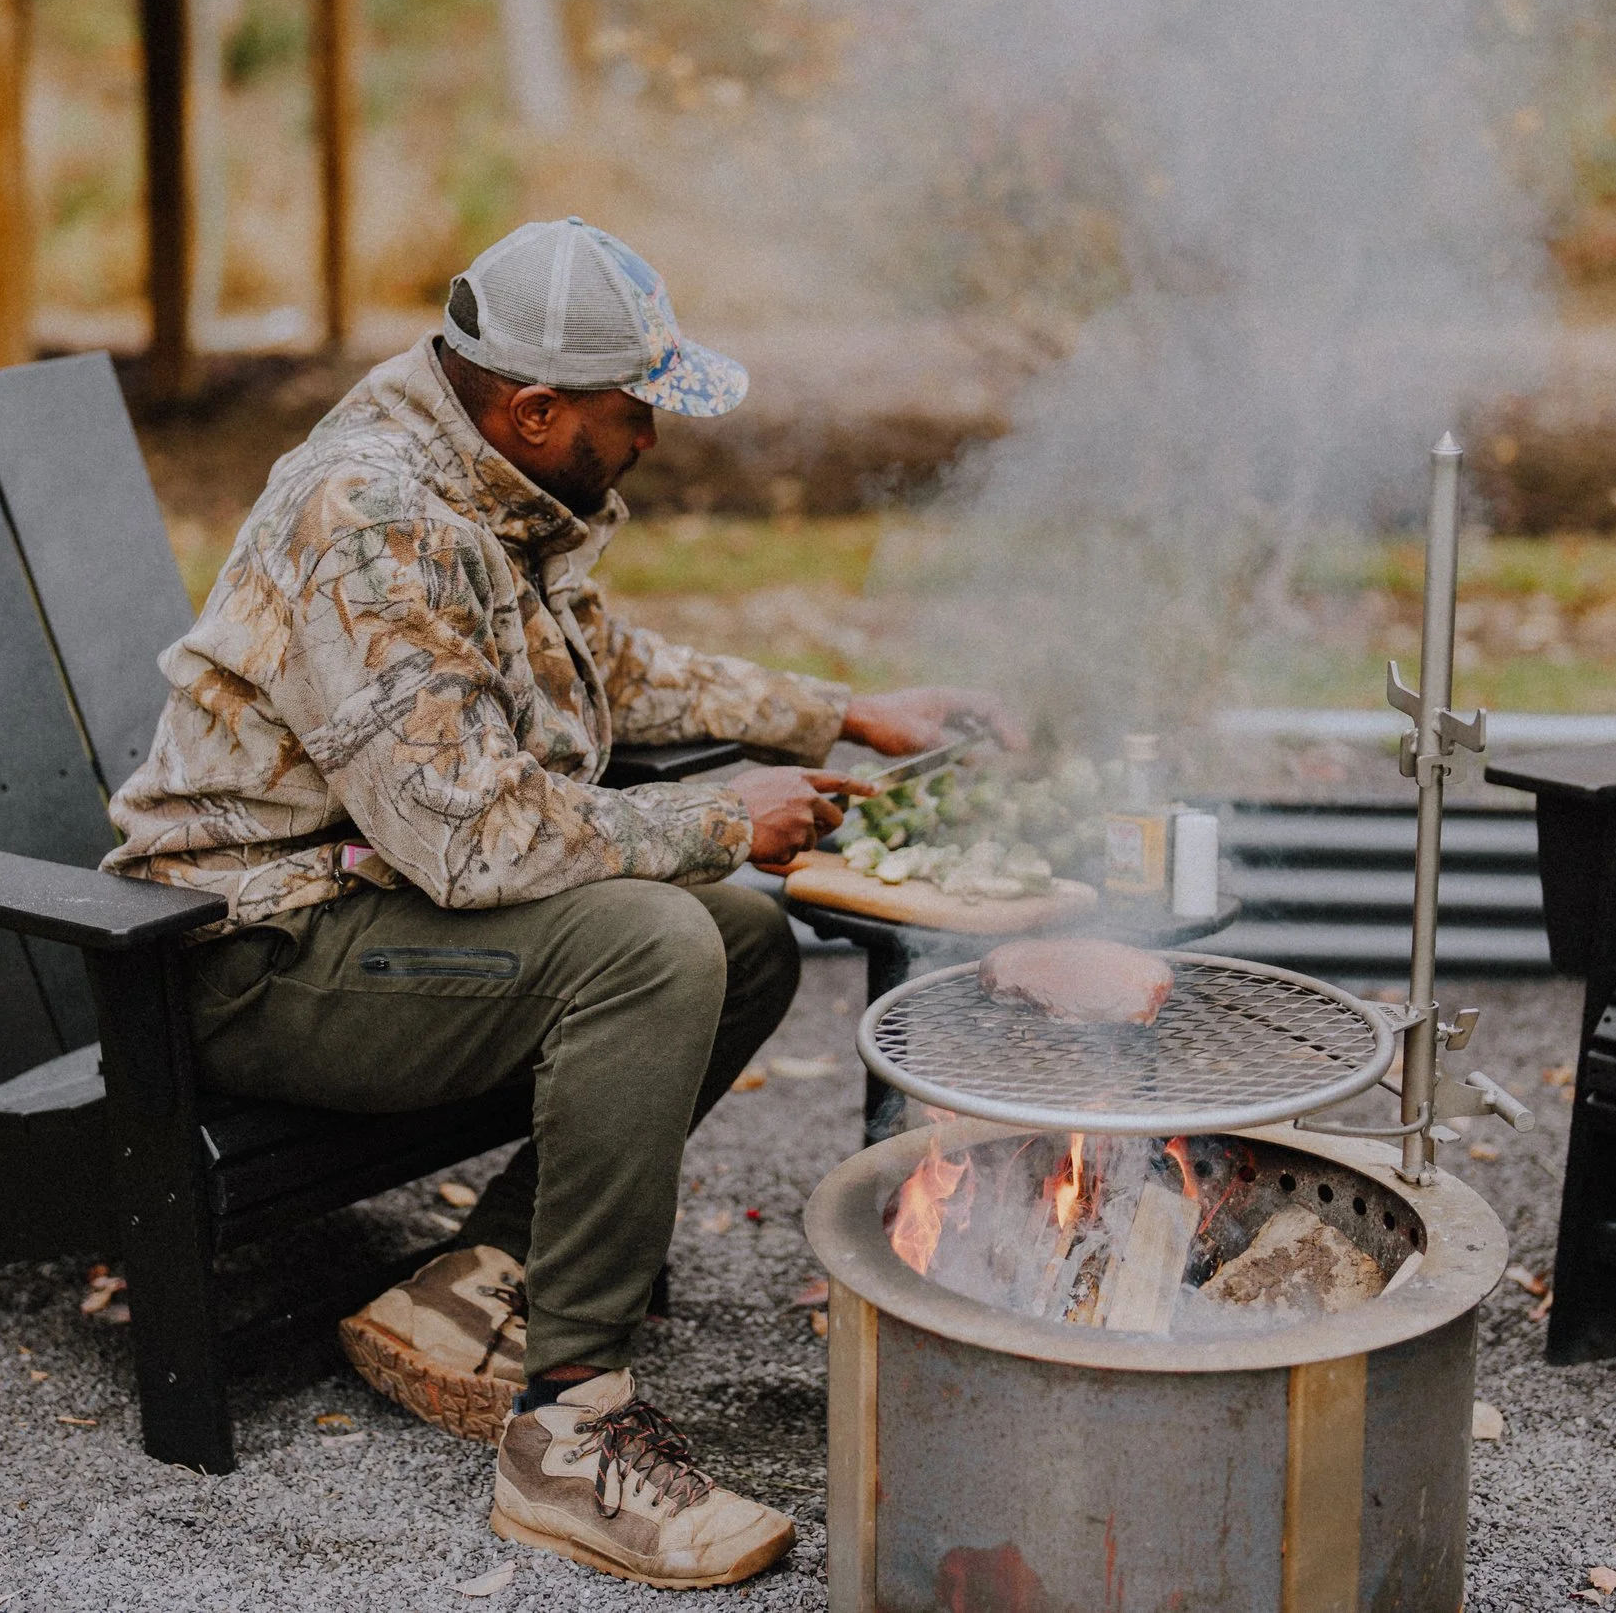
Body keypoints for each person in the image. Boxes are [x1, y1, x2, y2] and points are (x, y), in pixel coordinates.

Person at [103, 217, 1008, 1590]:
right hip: (249, 953)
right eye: (633, 407)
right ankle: (568, 1430)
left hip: (372, 908)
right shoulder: (371, 518)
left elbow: (603, 669)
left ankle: (477, 1286)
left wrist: (838, 713)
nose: (650, 435)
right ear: (534, 406)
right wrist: (717, 816)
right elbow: (469, 837)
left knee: (745, 936)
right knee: (651, 941)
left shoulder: (491, 481)